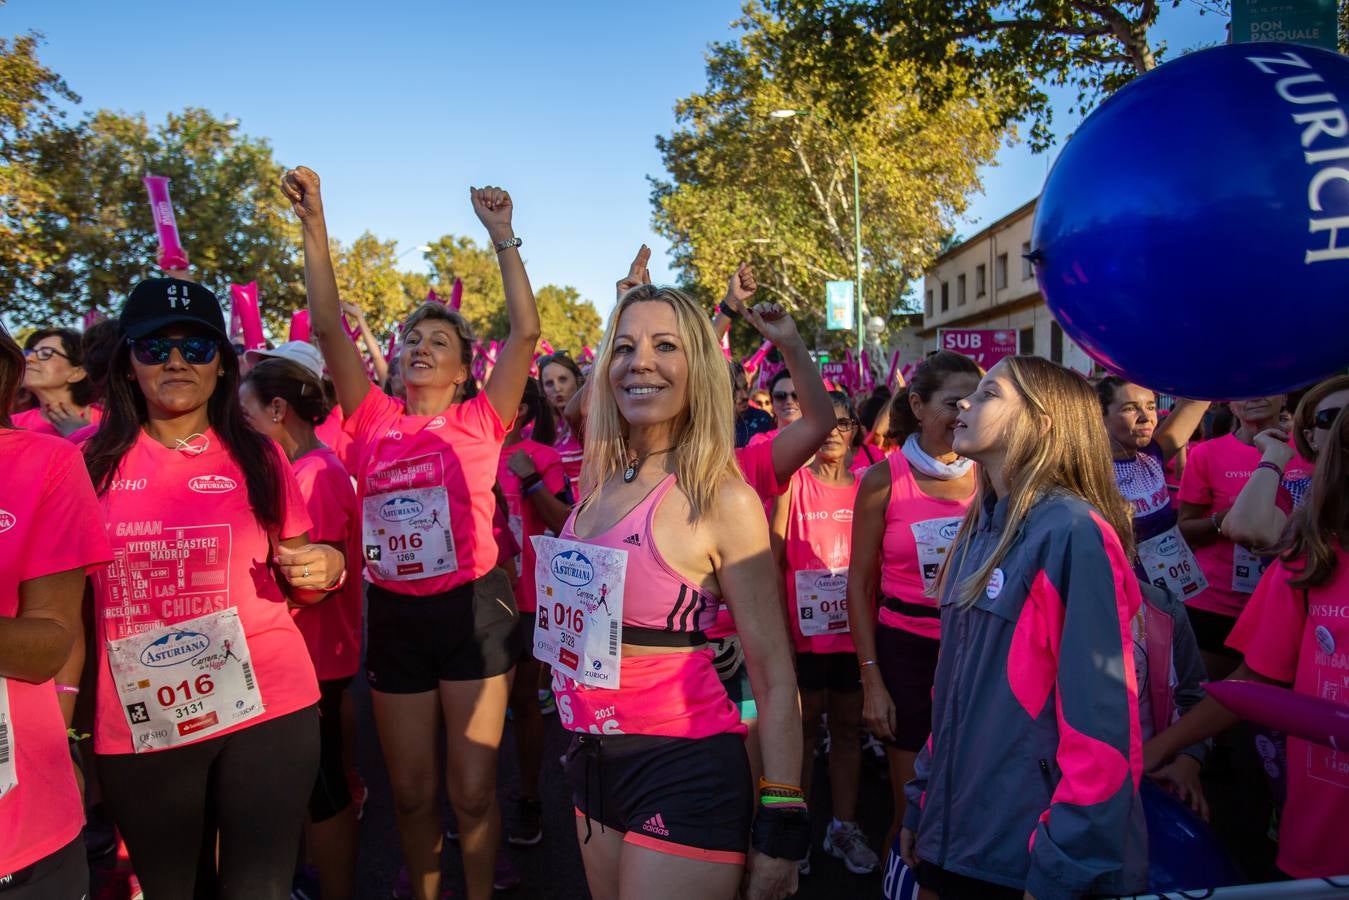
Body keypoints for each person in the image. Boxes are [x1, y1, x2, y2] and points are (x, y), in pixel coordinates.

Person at [287, 166, 538, 900]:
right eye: (410, 341)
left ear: (464, 371)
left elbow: (525, 330)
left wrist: (503, 240)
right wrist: (315, 223)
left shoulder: (479, 419)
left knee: (471, 794)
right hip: (395, 615)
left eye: (438, 341)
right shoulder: (371, 419)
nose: (419, 348)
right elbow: (327, 325)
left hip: (473, 613)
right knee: (410, 796)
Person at [83, 278, 344, 898]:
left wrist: (325, 569)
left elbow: (301, 578)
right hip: (144, 713)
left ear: (222, 365)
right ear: (128, 361)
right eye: (155, 346)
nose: (176, 361)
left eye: (197, 347)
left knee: (259, 887)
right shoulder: (83, 466)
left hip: (268, 703)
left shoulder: (259, 454)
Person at [552, 282, 803, 900]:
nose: (640, 361)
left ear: (698, 367)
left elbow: (772, 676)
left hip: (683, 767)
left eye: (665, 345)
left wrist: (781, 822)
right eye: (625, 346)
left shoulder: (723, 498)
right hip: (590, 757)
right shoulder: (598, 480)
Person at [899, 356, 1147, 900]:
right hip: (955, 835)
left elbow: (1102, 724)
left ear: (1041, 423)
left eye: (989, 394)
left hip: (1025, 853)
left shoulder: (1074, 532)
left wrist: (1065, 865)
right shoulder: (975, 529)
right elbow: (955, 695)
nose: (965, 402)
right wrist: (922, 800)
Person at [1144, 405, 1349, 878]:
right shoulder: (1311, 559)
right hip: (1322, 834)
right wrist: (1161, 753)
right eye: (1331, 418)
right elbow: (1252, 681)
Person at [845, 351, 980, 854]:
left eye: (975, 400)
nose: (965, 412)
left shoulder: (994, 476)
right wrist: (872, 680)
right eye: (953, 402)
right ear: (918, 406)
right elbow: (858, 585)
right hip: (907, 654)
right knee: (911, 815)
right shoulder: (883, 479)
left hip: (975, 649)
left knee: (969, 800)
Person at [239, 356, 362, 900]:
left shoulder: (316, 474)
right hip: (299, 659)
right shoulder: (297, 470)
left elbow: (310, 584)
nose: (236, 430)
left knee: (322, 788)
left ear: (277, 409)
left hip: (315, 659)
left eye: (244, 415)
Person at [0, 323, 111, 899]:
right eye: (33, 351)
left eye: (52, 353)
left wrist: (69, 724)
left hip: (23, 821)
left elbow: (53, 638)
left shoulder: (53, 455)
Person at [769, 391, 880, 876]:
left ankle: (843, 826)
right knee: (805, 735)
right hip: (804, 640)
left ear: (855, 429)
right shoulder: (792, 484)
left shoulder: (869, 486)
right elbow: (771, 561)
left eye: (843, 422)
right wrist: (780, 638)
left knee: (848, 732)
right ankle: (799, 831)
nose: (833, 431)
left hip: (855, 641)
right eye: (824, 422)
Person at [1177, 396, 1313, 677]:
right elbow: (1185, 528)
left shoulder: (1309, 452)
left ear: (1284, 396)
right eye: (1245, 390)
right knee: (1212, 698)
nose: (1256, 396)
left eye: (1267, 387)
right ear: (1230, 404)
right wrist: (1227, 519)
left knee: (1272, 706)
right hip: (1216, 604)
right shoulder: (1206, 454)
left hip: (1288, 601)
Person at [497, 377, 572, 847]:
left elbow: (566, 522)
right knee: (470, 714)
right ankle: (475, 806)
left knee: (525, 703)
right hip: (468, 600)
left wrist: (529, 479)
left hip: (526, 601)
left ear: (523, 410)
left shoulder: (542, 457)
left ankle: (528, 799)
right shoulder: (463, 452)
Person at [1221, 375, 1349, 551]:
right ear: (1310, 438)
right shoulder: (1299, 493)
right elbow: (1245, 528)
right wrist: (1273, 455)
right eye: (1331, 417)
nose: (1345, 425)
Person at [14, 327, 101, 437]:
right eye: (28, 353)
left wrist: (85, 434)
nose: (28, 359)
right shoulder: (12, 426)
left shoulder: (109, 421)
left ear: (78, 373)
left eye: (45, 353)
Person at [538, 351, 586, 497]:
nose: (557, 388)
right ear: (543, 390)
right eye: (549, 383)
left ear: (578, 381)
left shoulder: (590, 421)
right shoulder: (550, 429)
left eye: (563, 379)